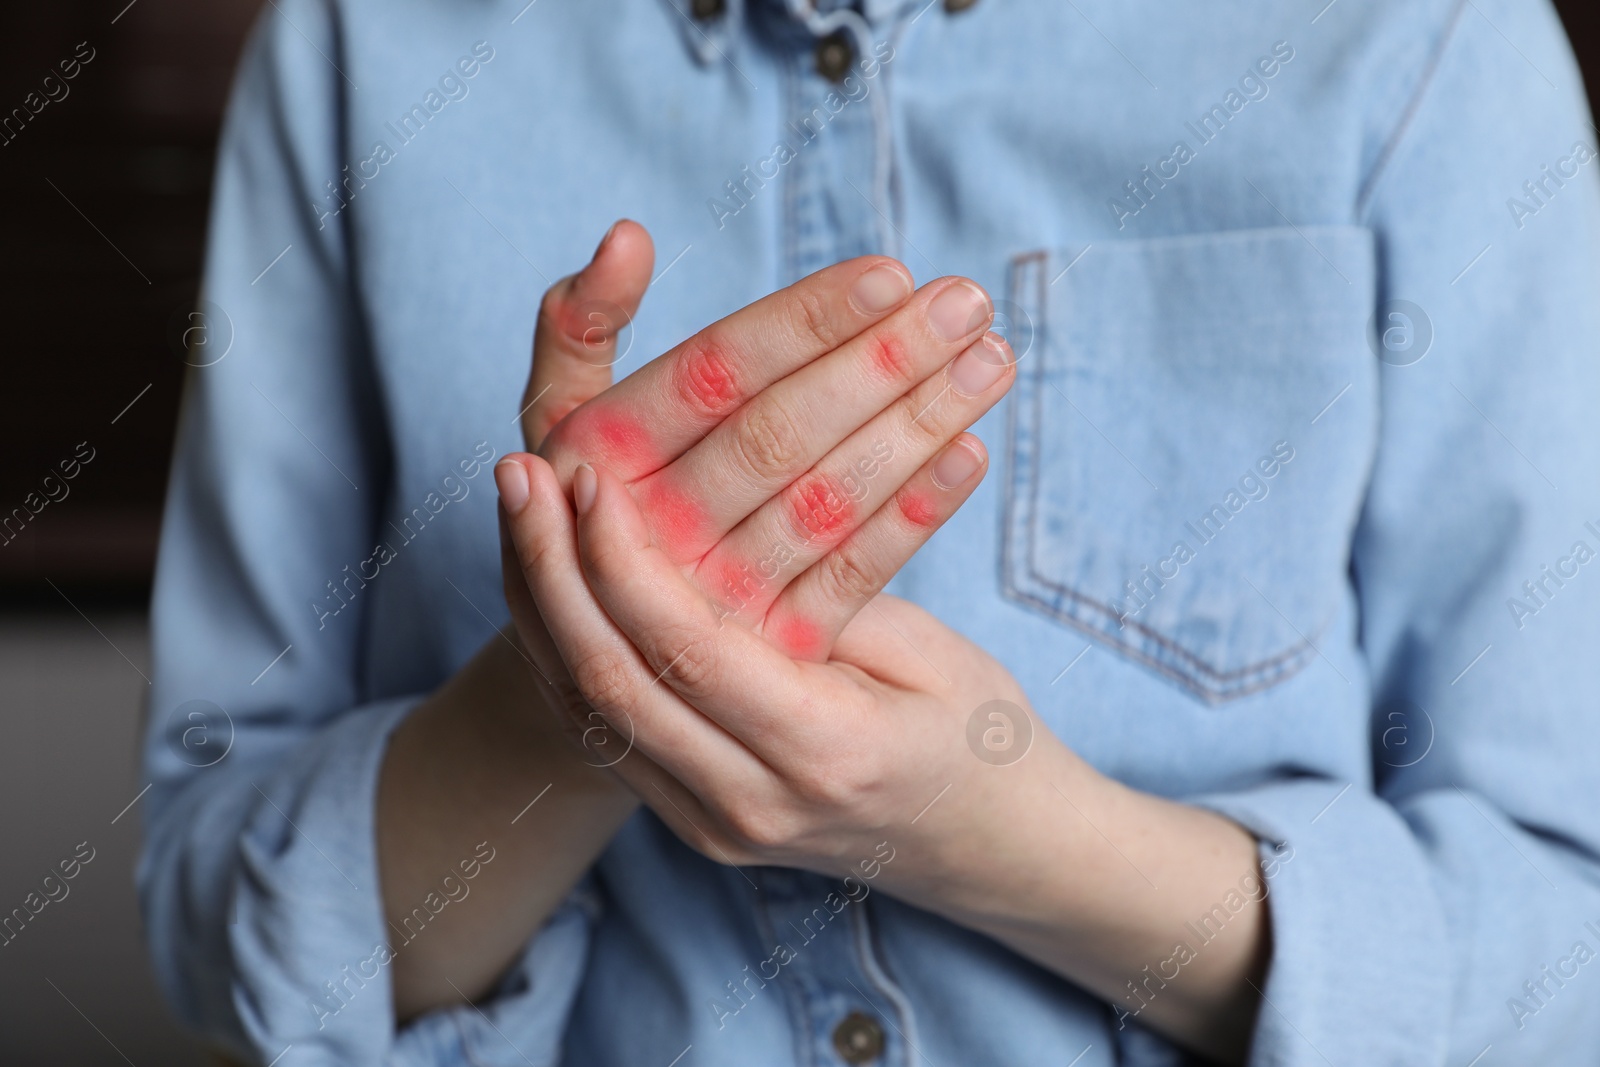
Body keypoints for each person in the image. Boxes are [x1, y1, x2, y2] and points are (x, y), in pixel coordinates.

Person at [140, 0, 1600, 1064]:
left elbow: (1567, 935)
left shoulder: (1427, 43)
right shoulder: (361, 44)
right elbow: (211, 912)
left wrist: (1001, 838)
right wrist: (573, 689)